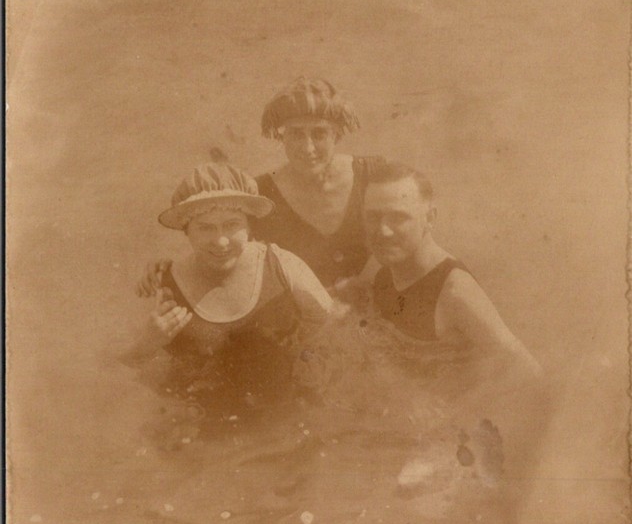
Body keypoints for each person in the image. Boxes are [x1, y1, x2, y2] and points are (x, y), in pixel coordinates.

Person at [123, 161, 339, 413]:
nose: (221, 241)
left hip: (283, 403)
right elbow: (121, 366)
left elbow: (331, 326)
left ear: (249, 227)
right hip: (202, 413)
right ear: (186, 230)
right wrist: (148, 342)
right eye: (205, 227)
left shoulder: (282, 266)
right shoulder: (163, 285)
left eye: (232, 224)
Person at [136, 77, 384, 294]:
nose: (308, 148)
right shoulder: (260, 194)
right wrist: (171, 270)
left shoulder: (373, 174)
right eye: (296, 134)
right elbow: (224, 243)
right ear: (281, 135)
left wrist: (358, 287)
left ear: (337, 135)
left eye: (319, 134)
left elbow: (418, 231)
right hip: (304, 318)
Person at [362, 160, 541, 374]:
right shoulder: (382, 272)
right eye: (373, 217)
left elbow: (530, 374)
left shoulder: (455, 292)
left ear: (430, 218)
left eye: (398, 218)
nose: (383, 231)